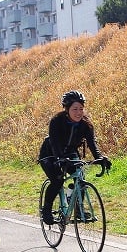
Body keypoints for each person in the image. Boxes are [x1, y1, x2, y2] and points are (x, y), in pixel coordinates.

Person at [38, 90, 111, 225]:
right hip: (50, 153)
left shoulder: (85, 124)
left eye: (81, 109)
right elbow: (54, 142)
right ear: (67, 109)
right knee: (57, 180)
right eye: (75, 109)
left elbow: (92, 143)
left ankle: (78, 209)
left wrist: (100, 158)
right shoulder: (56, 121)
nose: (79, 112)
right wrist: (59, 158)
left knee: (80, 176)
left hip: (70, 152)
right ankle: (46, 210)